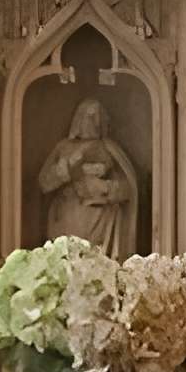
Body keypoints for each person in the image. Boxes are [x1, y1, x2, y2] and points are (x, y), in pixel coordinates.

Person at [36, 97, 141, 256]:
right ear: (78, 119)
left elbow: (128, 187)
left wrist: (104, 187)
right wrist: (66, 168)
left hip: (99, 219)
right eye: (90, 117)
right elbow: (44, 182)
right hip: (67, 216)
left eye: (99, 117)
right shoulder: (64, 147)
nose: (95, 122)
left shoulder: (109, 149)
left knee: (94, 260)